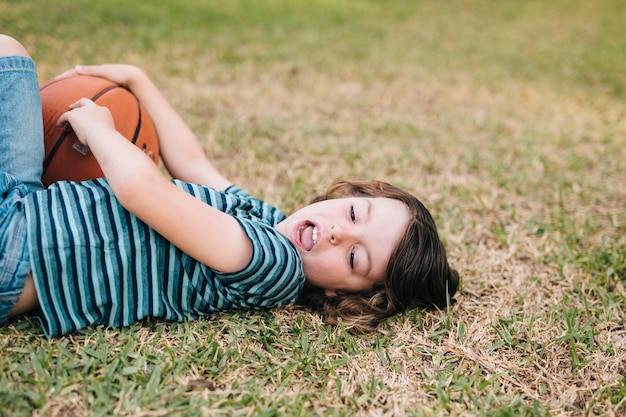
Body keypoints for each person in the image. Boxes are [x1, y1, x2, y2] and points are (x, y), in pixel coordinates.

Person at [0, 35, 459, 338]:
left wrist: (100, 130)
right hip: (26, 205)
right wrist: (138, 79)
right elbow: (195, 165)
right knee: (10, 54)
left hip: (18, 251)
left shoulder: (274, 266)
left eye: (355, 258)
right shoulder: (271, 224)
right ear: (349, 198)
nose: (341, 233)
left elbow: (143, 191)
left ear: (342, 295)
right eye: (356, 214)